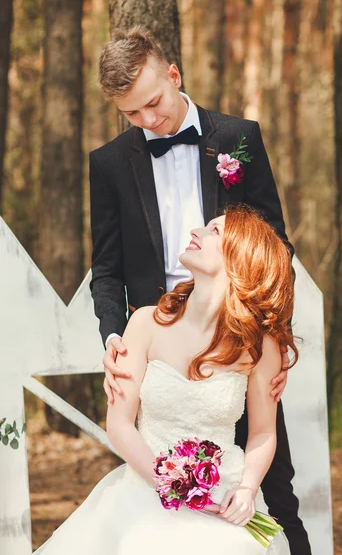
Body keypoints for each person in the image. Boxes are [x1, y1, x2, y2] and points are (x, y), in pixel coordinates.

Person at [90, 27, 311, 554]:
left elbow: (274, 247)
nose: (149, 121)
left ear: (174, 76)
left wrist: (272, 344)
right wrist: (114, 337)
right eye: (132, 115)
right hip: (159, 343)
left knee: (274, 492)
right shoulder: (109, 163)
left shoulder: (239, 137)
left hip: (238, 336)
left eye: (154, 104)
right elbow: (106, 268)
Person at [35, 207, 296, 554]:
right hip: (144, 491)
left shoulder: (258, 346)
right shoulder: (145, 323)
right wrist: (169, 484)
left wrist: (247, 489)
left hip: (223, 497)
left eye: (214, 231)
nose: (197, 231)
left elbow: (263, 431)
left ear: (240, 257)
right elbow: (120, 424)